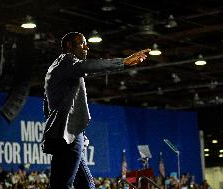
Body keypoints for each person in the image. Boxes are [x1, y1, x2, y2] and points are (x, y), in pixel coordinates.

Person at [41, 31, 150, 189]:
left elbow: (49, 106)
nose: (86, 47)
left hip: (67, 135)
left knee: (86, 184)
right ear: (69, 46)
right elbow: (87, 66)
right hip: (68, 136)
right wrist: (123, 62)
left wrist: (75, 133)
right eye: (81, 43)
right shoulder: (68, 60)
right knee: (62, 185)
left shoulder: (55, 68)